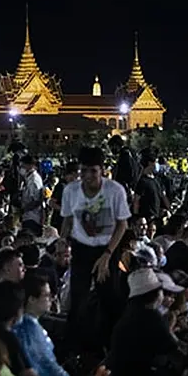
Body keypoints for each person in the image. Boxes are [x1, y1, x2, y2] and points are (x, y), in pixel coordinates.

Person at [60, 146, 130, 349]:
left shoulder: (115, 190)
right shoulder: (70, 191)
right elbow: (67, 220)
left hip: (108, 247)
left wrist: (107, 256)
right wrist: (62, 241)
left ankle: (109, 345)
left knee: (110, 298)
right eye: (83, 171)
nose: (88, 176)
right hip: (82, 248)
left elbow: (122, 224)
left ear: (102, 170)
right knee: (78, 299)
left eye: (93, 171)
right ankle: (74, 348)